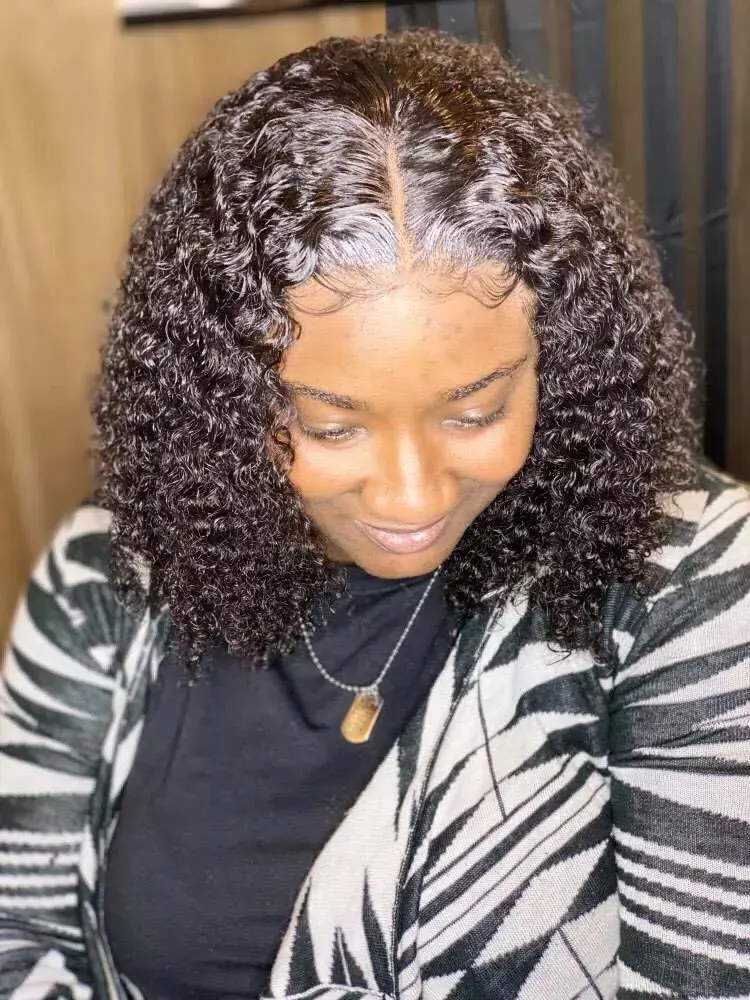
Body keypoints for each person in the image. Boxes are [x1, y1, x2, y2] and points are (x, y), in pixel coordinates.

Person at [1, 28, 749, 1000]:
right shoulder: (103, 576)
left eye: (475, 413)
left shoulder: (689, 580)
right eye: (330, 426)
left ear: (563, 358)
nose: (412, 497)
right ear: (221, 393)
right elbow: (17, 934)